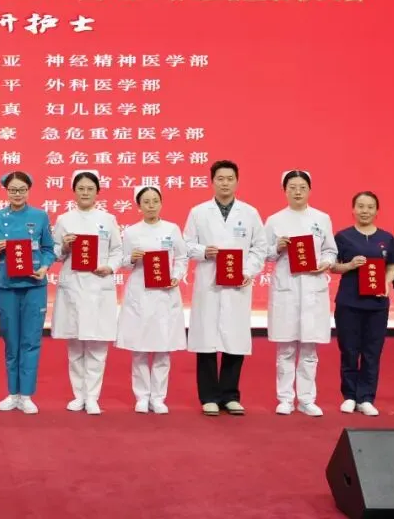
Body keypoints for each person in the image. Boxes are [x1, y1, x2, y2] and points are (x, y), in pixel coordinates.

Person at [184, 160, 269, 416]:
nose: (225, 183)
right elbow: (185, 244)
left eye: (230, 179)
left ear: (237, 181)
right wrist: (203, 251)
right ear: (212, 181)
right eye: (220, 179)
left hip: (237, 284)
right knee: (206, 339)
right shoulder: (198, 212)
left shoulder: (250, 213)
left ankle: (230, 395)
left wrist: (248, 271)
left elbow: (260, 248)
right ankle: (209, 396)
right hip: (209, 282)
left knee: (235, 338)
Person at [264, 171, 337, 417]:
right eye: (292, 187)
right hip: (287, 288)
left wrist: (325, 263)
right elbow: (263, 253)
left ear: (310, 190)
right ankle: (285, 398)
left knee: (309, 349)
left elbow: (330, 250)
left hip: (313, 288)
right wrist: (277, 247)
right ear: (284, 190)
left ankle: (307, 399)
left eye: (302, 187)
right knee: (285, 348)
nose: (297, 191)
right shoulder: (274, 220)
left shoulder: (322, 218)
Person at [51, 170, 123, 415]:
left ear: (97, 192)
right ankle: (78, 395)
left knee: (97, 346)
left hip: (98, 285)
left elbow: (117, 251)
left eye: (90, 188)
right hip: (73, 286)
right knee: (75, 346)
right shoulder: (64, 220)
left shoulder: (108, 219)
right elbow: (55, 253)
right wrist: (64, 246)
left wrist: (109, 267)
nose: (85, 192)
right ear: (74, 191)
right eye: (80, 188)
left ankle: (92, 397)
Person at [0, 171, 56, 414]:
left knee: (30, 340)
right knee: (11, 340)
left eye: (22, 190)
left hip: (34, 285)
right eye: (13, 190)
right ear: (6, 191)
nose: (17, 194)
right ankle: (12, 393)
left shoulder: (40, 216)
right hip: (6, 284)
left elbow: (49, 248)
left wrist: (45, 267)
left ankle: (26, 395)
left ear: (29, 190)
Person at [117, 186, 188, 414]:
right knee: (139, 348)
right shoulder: (131, 232)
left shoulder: (171, 229)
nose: (151, 205)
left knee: (162, 348)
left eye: (155, 201)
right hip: (140, 293)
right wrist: (131, 258)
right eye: (146, 202)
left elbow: (182, 257)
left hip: (164, 294)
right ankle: (141, 396)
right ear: (139, 206)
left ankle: (158, 397)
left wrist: (176, 276)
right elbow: (123, 263)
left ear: (161, 203)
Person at [330, 191, 394, 416]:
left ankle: (366, 397)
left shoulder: (386, 238)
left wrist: (386, 282)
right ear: (353, 209)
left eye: (370, 207)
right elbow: (333, 266)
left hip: (377, 305)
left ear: (377, 211)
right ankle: (349, 396)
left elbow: (392, 267)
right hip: (349, 303)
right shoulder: (343, 237)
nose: (365, 211)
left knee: (372, 352)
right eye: (360, 206)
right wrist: (349, 265)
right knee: (349, 350)